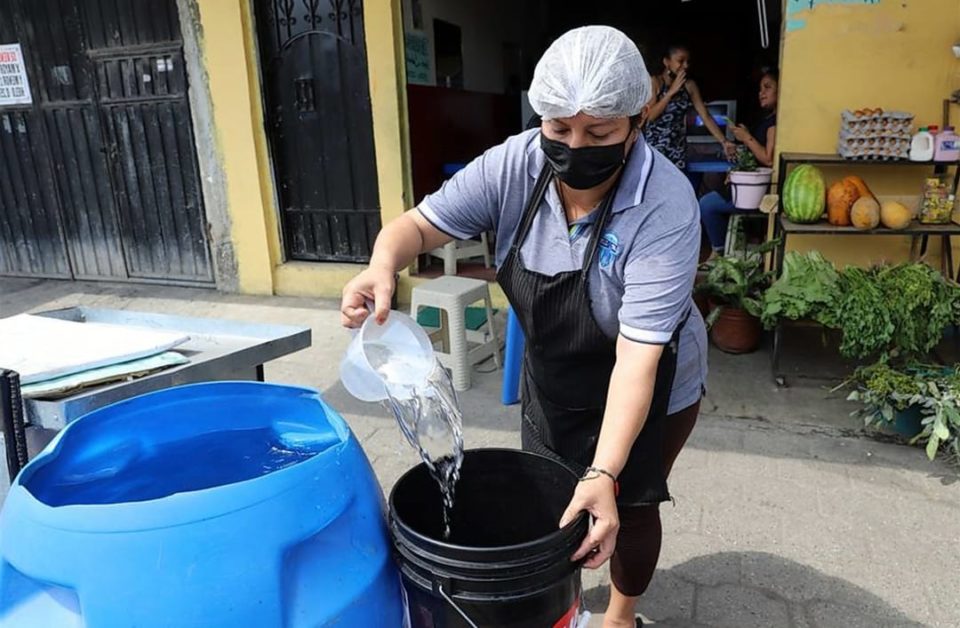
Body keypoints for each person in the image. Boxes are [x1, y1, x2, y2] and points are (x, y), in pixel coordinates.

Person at [341, 26, 707, 628]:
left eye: (600, 133)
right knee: (555, 499)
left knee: (630, 504)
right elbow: (418, 226)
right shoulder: (514, 164)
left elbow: (638, 360)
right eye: (559, 128)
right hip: (557, 369)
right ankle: (563, 603)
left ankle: (619, 617)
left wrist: (606, 473)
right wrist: (382, 266)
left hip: (653, 376)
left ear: (637, 121)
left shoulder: (664, 204)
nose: (574, 146)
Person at [699, 67, 779, 253]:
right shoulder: (767, 119)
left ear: (781, 90)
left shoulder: (774, 124)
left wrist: (746, 138)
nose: (762, 93)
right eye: (760, 89)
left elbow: (768, 159)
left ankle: (720, 253)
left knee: (706, 205)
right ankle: (724, 249)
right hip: (750, 186)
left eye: (767, 87)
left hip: (757, 192)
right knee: (711, 193)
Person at [646, 44, 734, 171]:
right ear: (667, 62)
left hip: (677, 150)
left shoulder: (689, 86)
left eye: (687, 62)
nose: (685, 66)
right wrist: (671, 92)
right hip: (654, 150)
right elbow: (649, 116)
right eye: (680, 61)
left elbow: (705, 116)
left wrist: (724, 142)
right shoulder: (655, 82)